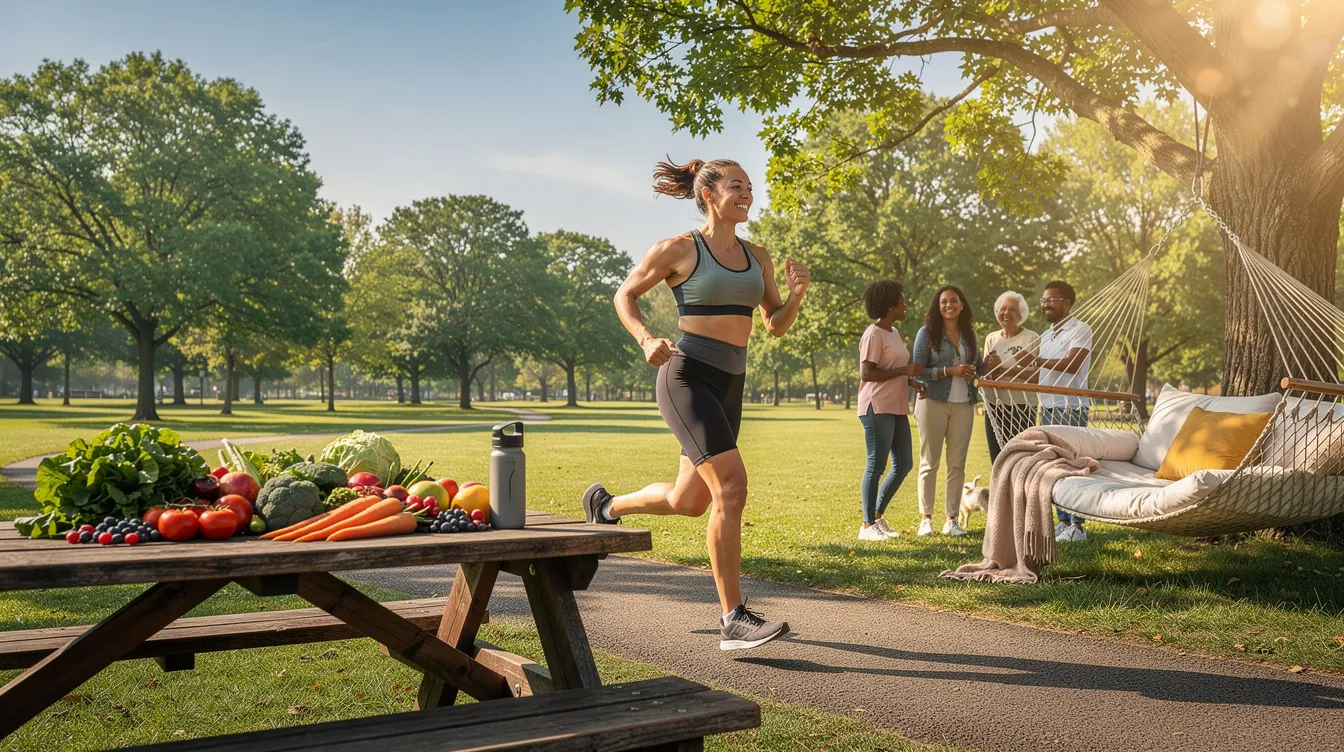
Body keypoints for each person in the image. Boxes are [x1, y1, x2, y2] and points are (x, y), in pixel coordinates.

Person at [581, 157, 810, 651]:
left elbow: (774, 324)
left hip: (732, 382)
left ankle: (606, 506)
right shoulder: (678, 249)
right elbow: (625, 295)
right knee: (731, 487)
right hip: (685, 376)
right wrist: (644, 339)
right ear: (708, 194)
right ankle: (733, 618)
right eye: (736, 186)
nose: (747, 193)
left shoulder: (758, 256)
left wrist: (795, 296)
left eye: (749, 186)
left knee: (691, 500)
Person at [1016, 280, 1093, 542]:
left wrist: (1035, 360)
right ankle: (1063, 521)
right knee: (1053, 466)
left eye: (1051, 300)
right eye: (1044, 300)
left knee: (1073, 464)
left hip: (1071, 407)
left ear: (1066, 303)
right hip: (1048, 407)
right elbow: (1042, 372)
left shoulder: (1080, 329)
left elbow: (1072, 365)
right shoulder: (1047, 335)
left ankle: (1078, 526)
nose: (1046, 304)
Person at [910, 285, 982, 537]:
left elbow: (976, 366)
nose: (949, 305)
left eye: (954, 301)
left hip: (964, 404)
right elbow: (918, 370)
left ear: (962, 305)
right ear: (937, 307)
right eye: (944, 302)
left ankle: (951, 520)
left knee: (957, 465)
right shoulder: (927, 333)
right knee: (929, 463)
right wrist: (947, 371)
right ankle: (925, 519)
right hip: (932, 402)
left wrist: (983, 366)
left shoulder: (970, 334)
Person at [856, 280, 923, 541]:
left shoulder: (893, 332)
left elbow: (895, 368)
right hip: (877, 406)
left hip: (896, 406)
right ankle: (866, 526)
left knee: (904, 463)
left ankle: (877, 516)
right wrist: (905, 372)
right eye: (902, 301)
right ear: (891, 305)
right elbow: (867, 372)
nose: (906, 305)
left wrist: (913, 382)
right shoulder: (873, 334)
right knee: (876, 465)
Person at [981, 291, 1040, 463]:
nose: (1006, 313)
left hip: (1023, 406)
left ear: (1021, 314)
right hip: (994, 405)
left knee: (1020, 458)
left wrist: (1004, 370)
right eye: (1003, 308)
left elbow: (1038, 377)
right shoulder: (991, 338)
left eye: (1012, 309)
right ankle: (999, 490)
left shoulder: (1031, 338)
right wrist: (989, 368)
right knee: (997, 458)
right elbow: (988, 376)